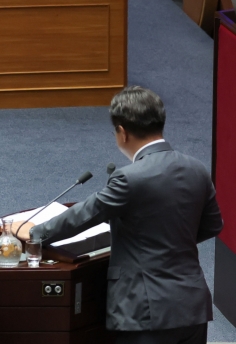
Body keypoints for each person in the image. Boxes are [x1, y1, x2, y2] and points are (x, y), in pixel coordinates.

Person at [14, 86, 223, 344]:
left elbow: (86, 215)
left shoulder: (129, 178)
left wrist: (35, 233)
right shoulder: (197, 168)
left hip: (144, 312)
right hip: (192, 308)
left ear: (122, 132)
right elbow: (213, 225)